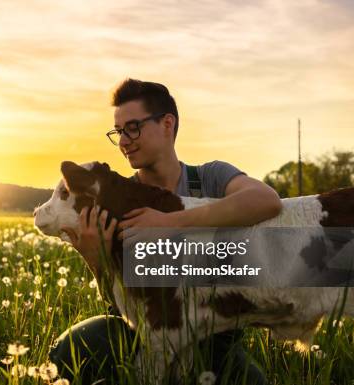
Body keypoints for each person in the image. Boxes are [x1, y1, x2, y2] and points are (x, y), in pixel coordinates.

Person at [49, 79, 282, 384]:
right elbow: (121, 306)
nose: (124, 141)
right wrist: (97, 261)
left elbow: (267, 201)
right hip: (142, 333)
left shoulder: (210, 178)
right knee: (69, 350)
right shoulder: (119, 198)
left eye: (132, 127)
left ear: (167, 124)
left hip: (213, 340)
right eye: (118, 132)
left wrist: (170, 222)